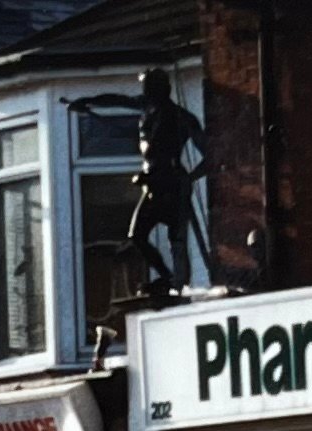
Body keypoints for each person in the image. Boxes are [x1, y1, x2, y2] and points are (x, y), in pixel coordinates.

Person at [66, 68, 207, 293]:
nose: (145, 91)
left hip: (172, 184)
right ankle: (167, 278)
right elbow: (116, 99)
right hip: (151, 183)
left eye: (149, 86)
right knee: (137, 235)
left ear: (162, 89)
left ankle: (179, 284)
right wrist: (88, 102)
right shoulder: (146, 107)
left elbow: (210, 156)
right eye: (145, 86)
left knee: (176, 240)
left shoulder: (182, 117)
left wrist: (190, 178)